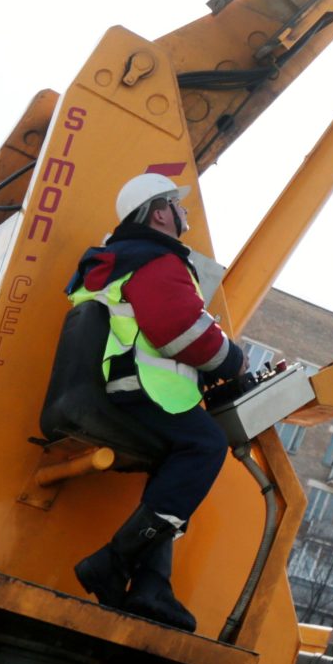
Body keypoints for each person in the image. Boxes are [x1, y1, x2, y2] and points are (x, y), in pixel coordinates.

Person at [63, 170, 251, 632]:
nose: (184, 214)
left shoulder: (114, 260)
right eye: (178, 206)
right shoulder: (156, 260)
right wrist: (232, 362)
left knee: (174, 463)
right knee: (205, 446)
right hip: (144, 387)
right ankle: (112, 562)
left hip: (116, 384)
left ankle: (152, 587)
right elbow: (178, 332)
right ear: (162, 212)